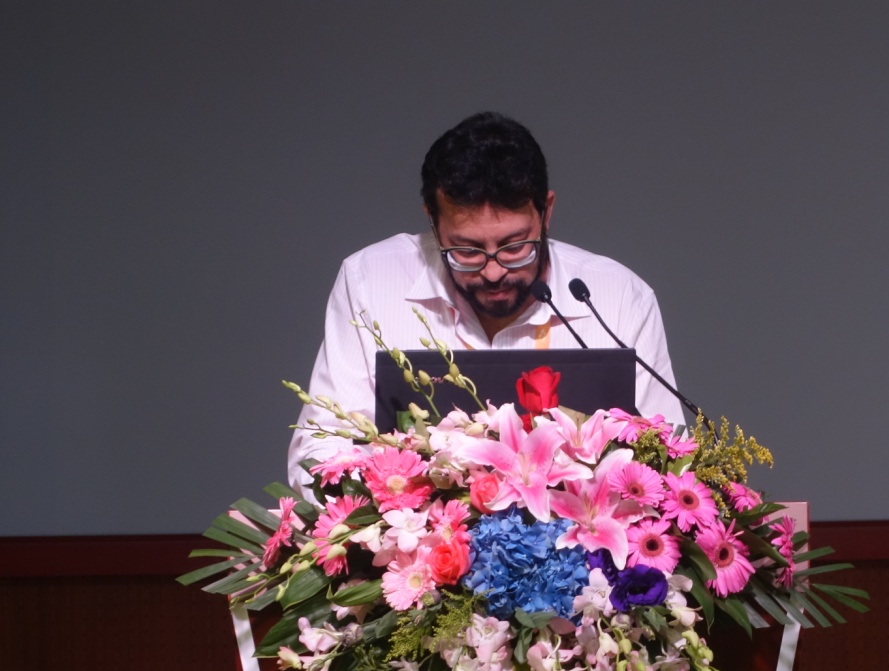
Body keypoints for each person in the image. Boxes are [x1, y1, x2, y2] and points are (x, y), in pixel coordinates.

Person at [287, 112, 684, 490]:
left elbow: (667, 461)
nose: (493, 272)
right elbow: (321, 451)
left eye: (515, 246)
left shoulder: (619, 298)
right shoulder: (369, 282)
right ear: (432, 221)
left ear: (546, 213)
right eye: (467, 250)